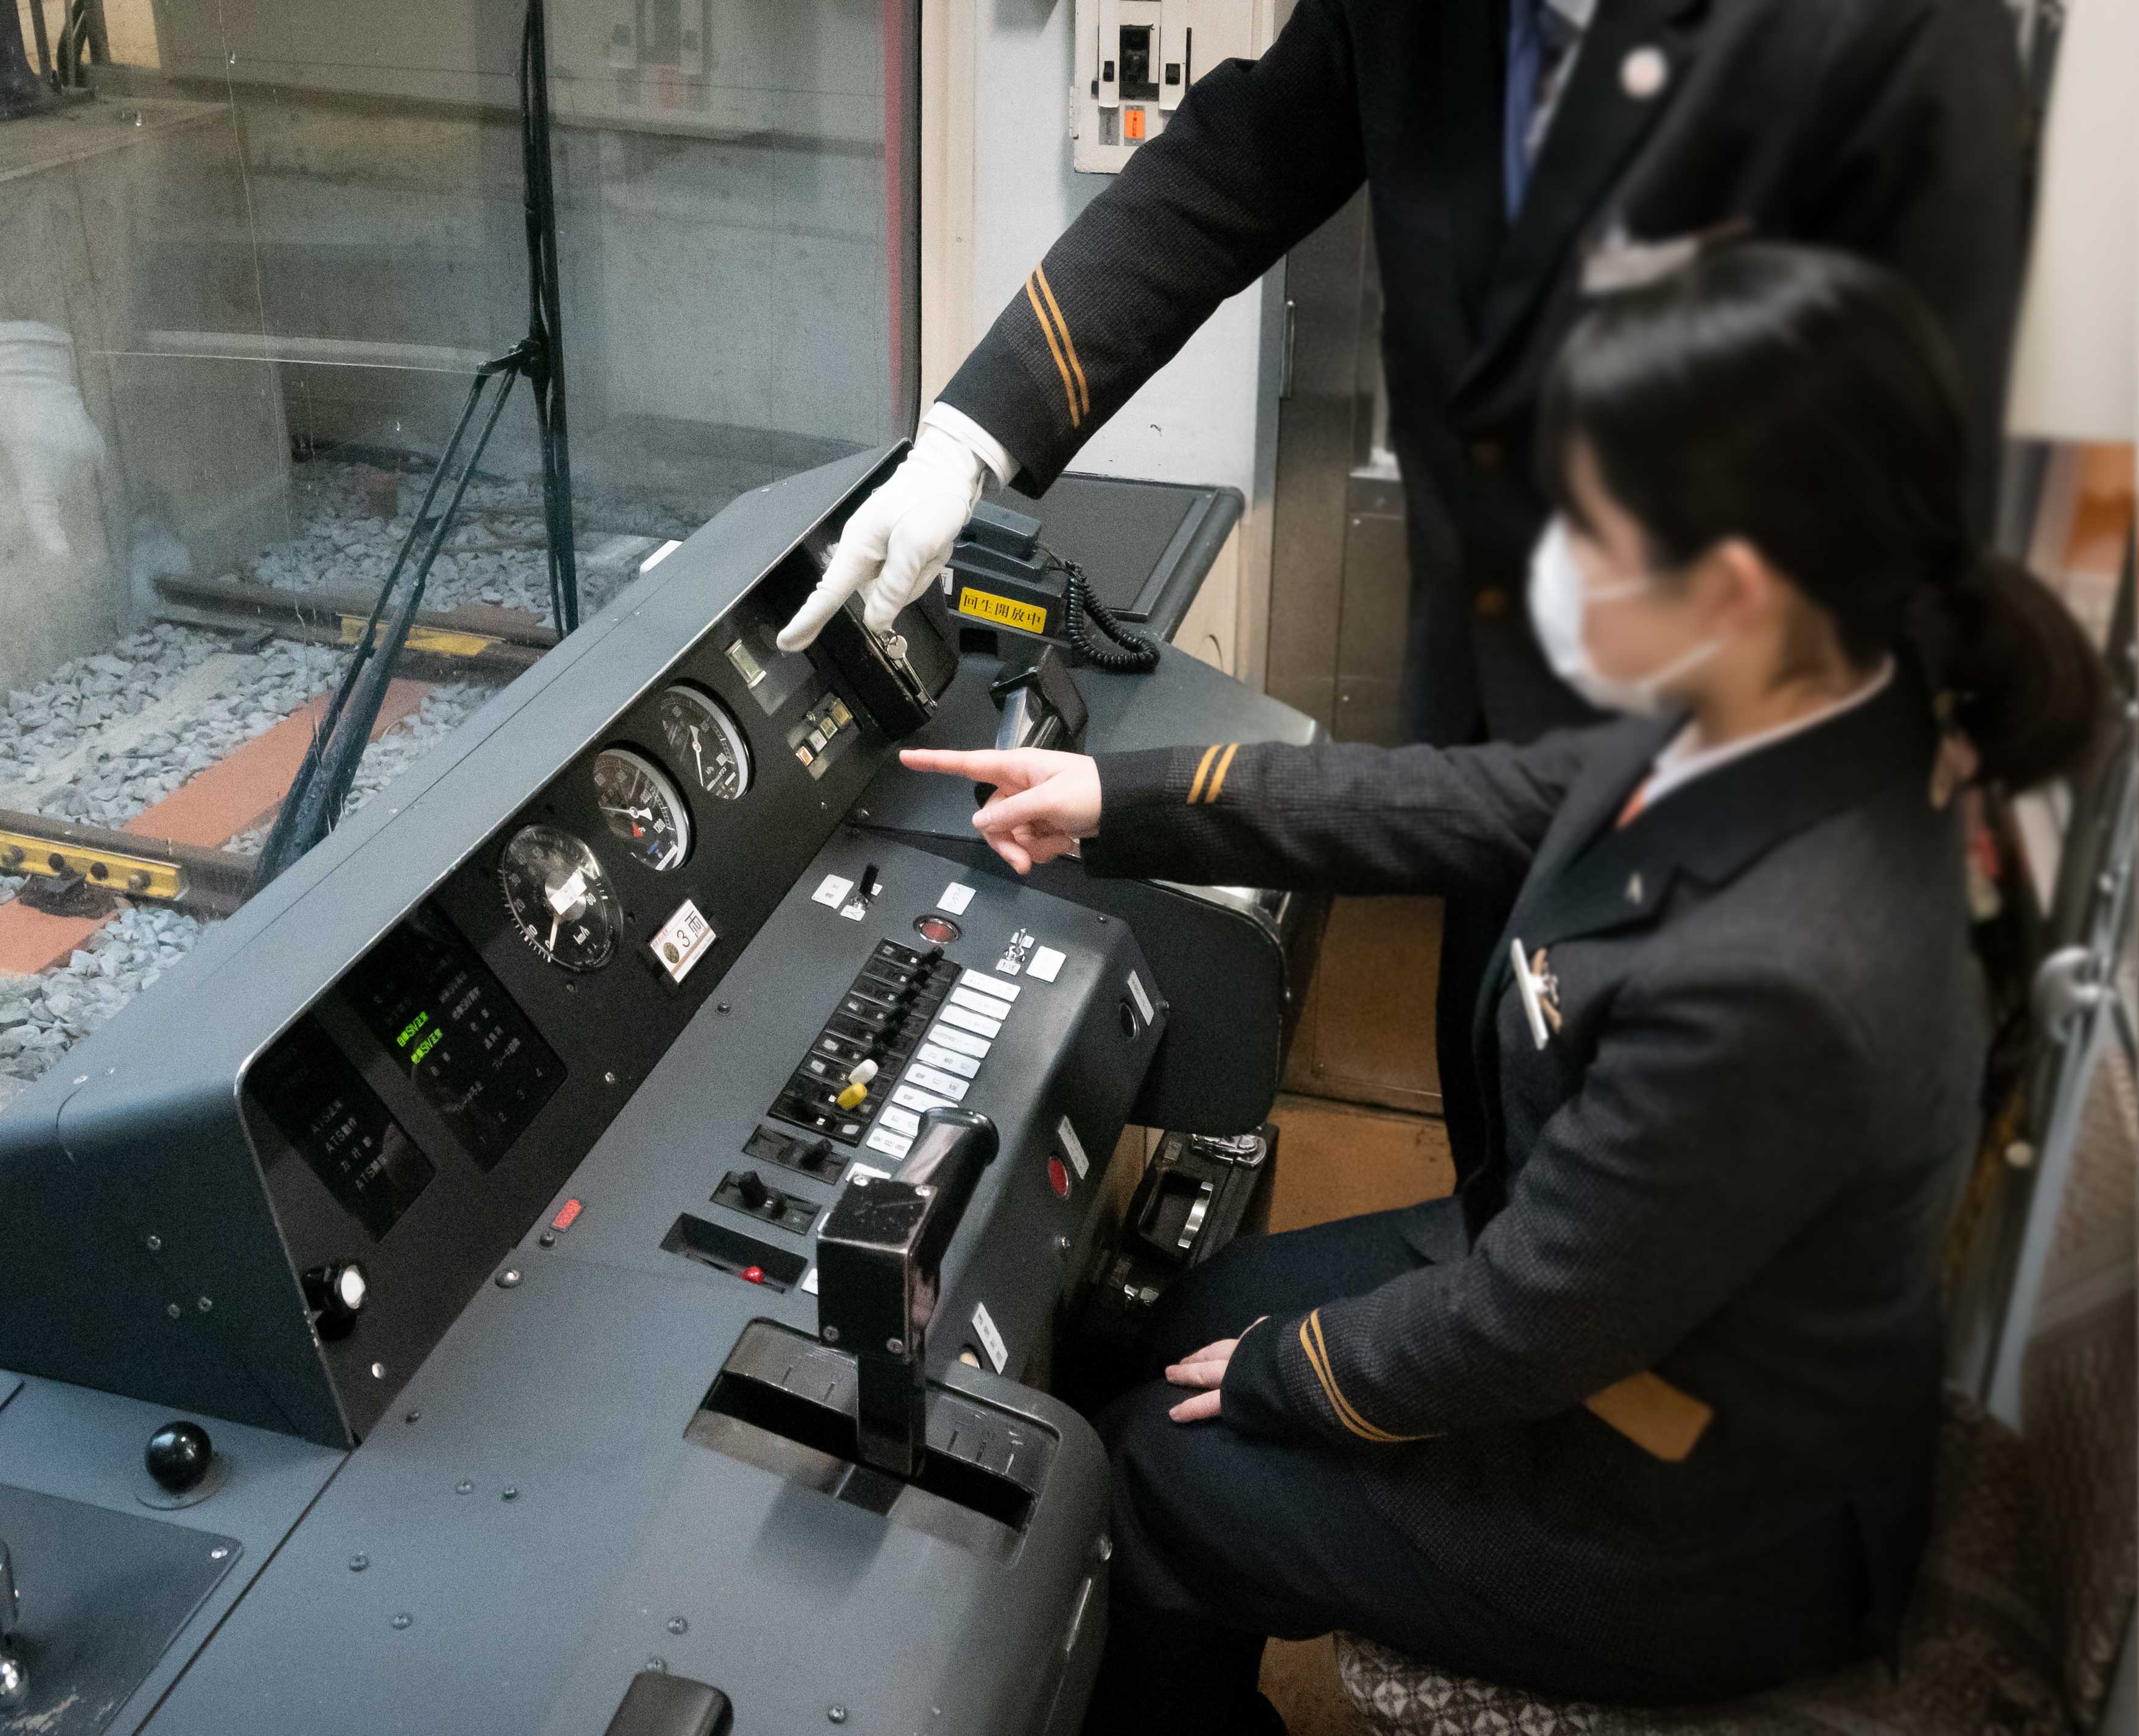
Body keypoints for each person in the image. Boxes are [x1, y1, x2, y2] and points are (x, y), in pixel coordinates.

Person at [898, 245, 2103, 1731]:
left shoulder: (1797, 964)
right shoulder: (1790, 702)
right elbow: (1451, 800)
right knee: (1176, 1306)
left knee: (1154, 1473)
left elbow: (1539, 1318)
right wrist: (1113, 796)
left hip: (1695, 1508)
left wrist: (1293, 1377)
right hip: (1629, 1299)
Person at [783, 0, 2032, 1191]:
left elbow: (1909, 474)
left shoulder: (1903, 41)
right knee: (1497, 1076)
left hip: (1724, 715)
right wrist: (966, 439)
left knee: (1646, 1181)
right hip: (1478, 658)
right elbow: (1231, 164)